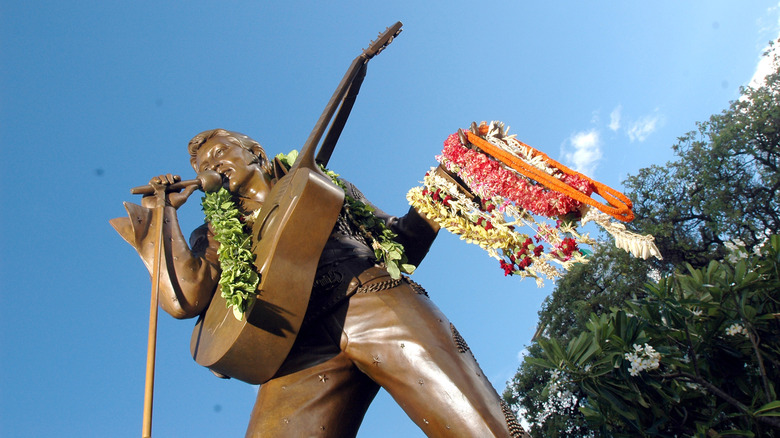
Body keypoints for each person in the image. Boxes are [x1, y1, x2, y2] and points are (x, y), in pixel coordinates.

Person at [112, 129, 528, 437]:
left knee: (479, 427)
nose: (212, 166)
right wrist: (160, 216)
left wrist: (443, 192)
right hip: (293, 347)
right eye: (203, 166)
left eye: (221, 152)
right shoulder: (214, 232)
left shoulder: (322, 183)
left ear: (253, 151)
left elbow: (399, 244)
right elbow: (184, 299)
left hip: (371, 297)